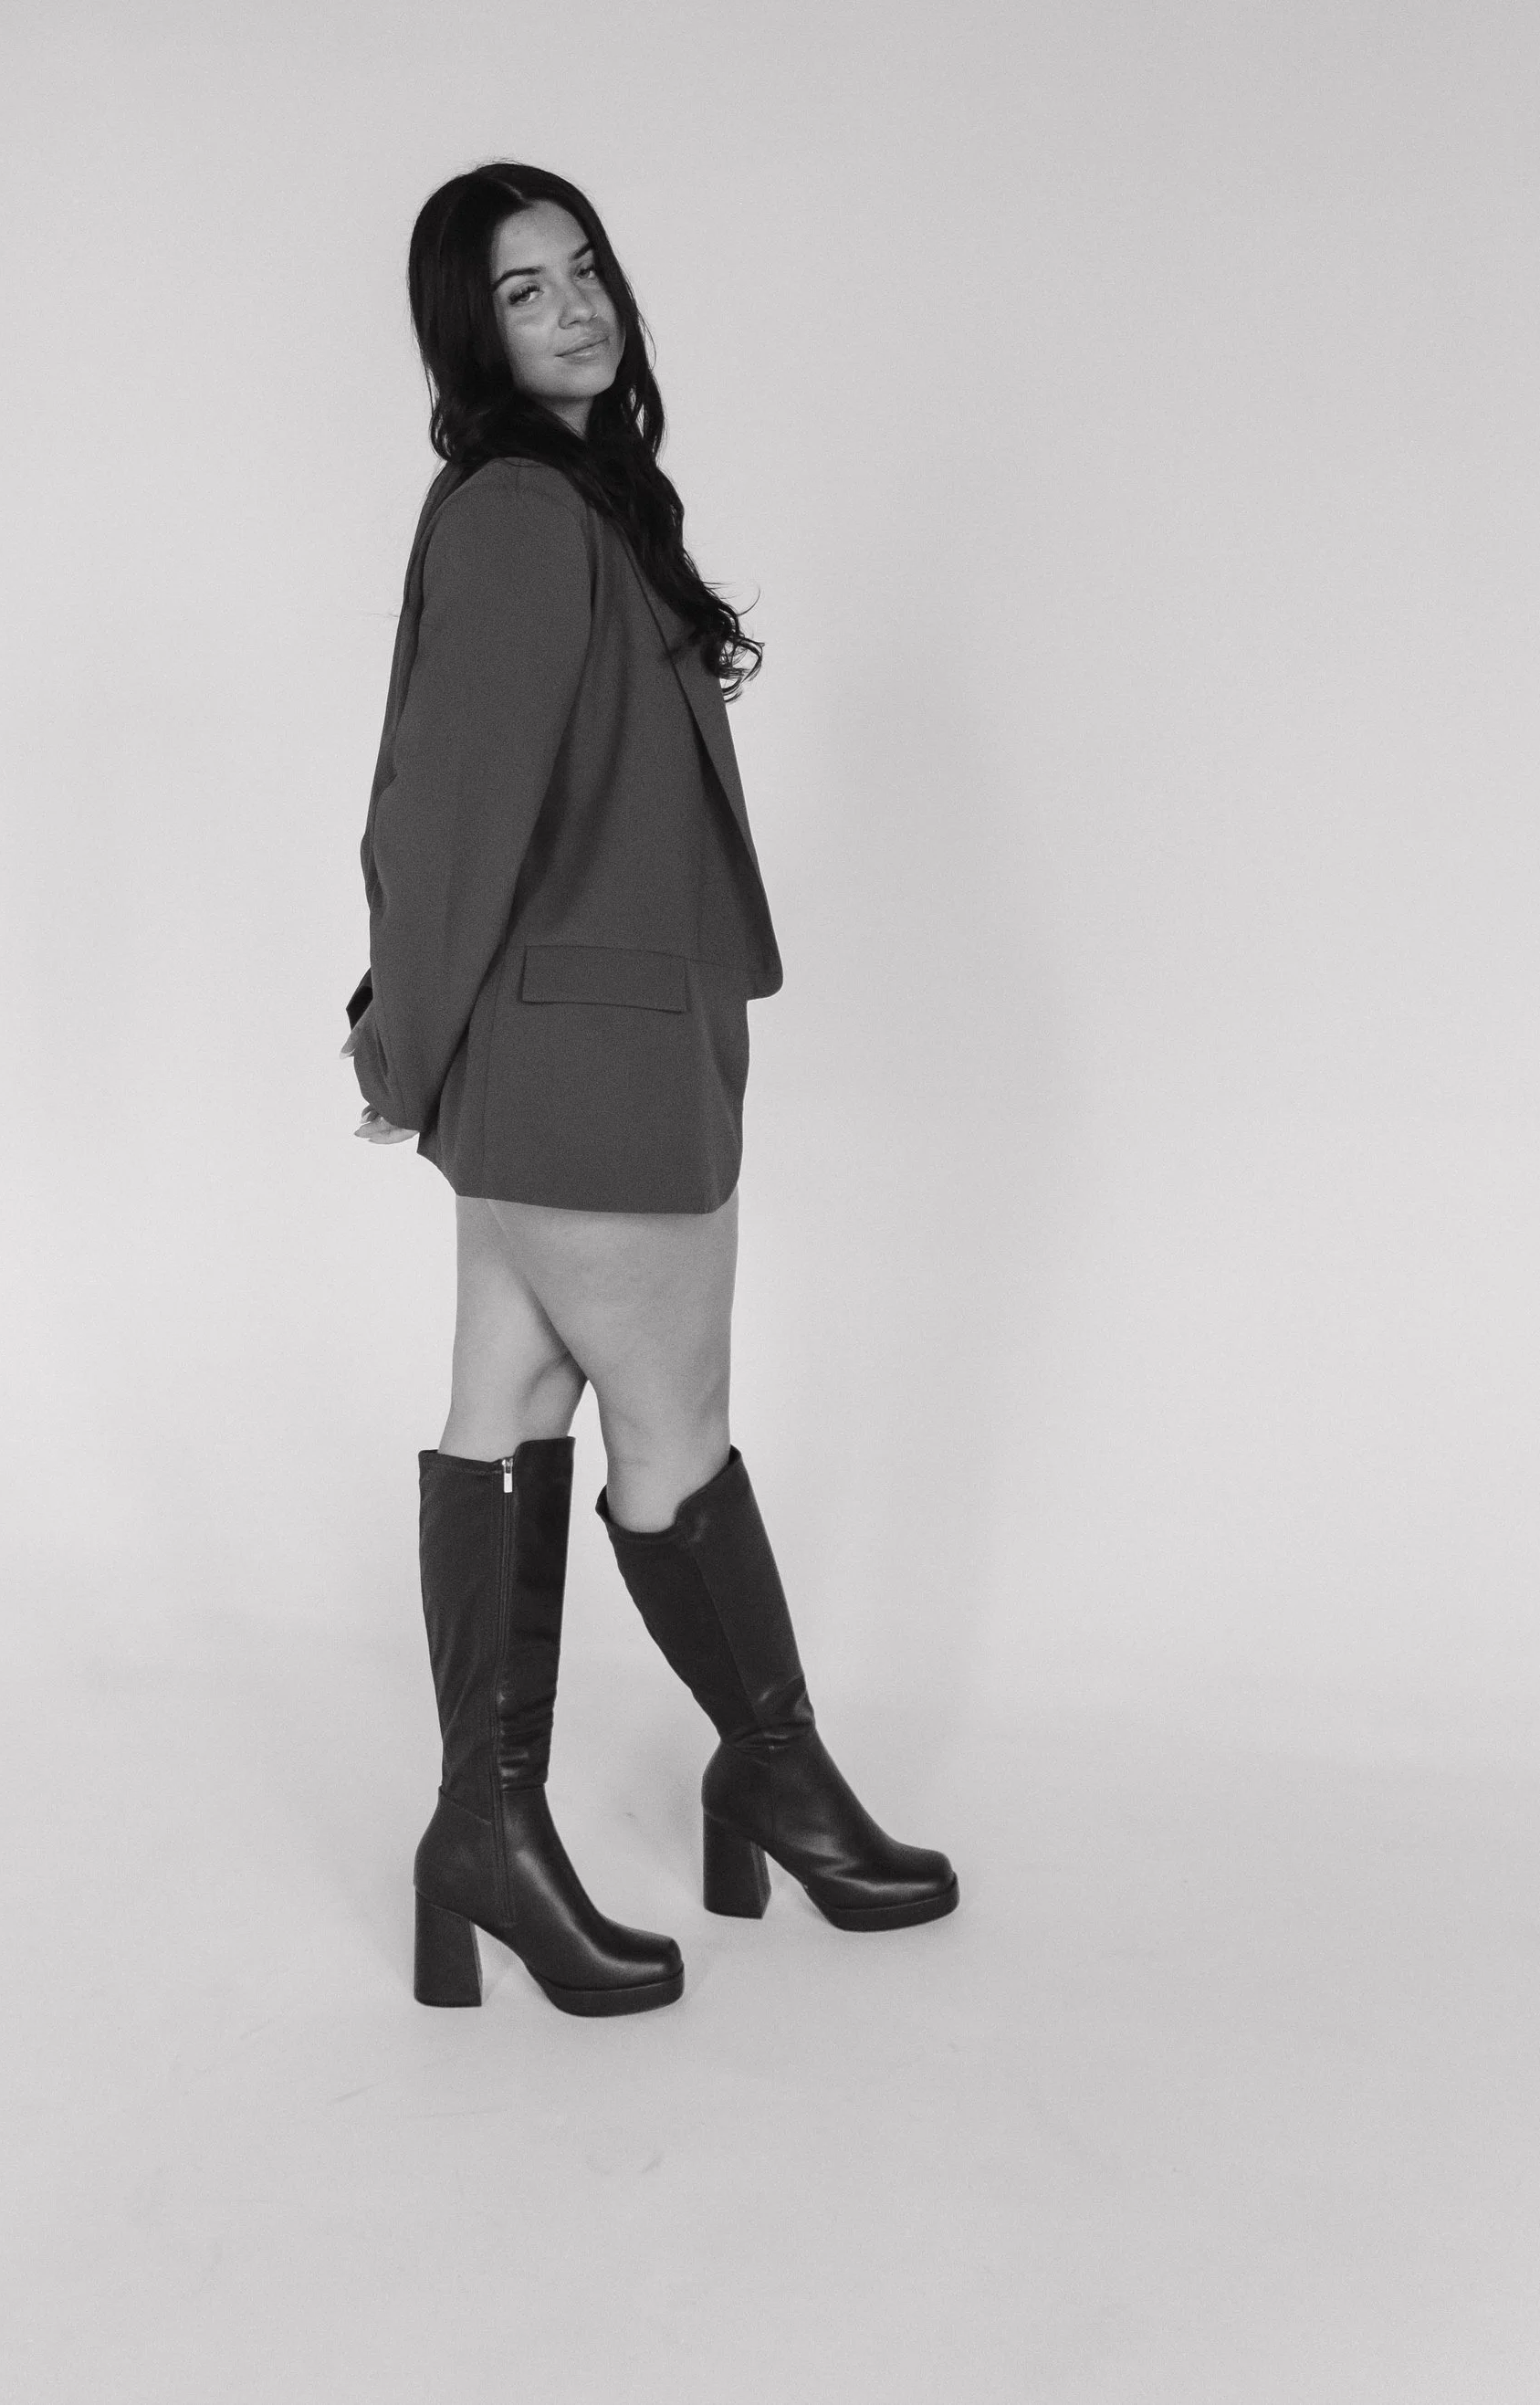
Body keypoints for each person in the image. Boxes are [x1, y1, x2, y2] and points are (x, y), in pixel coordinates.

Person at [343, 162, 958, 2018]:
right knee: (668, 1436)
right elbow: (451, 814)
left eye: (585, 270)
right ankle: (772, 1776)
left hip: (565, 1043)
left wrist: (437, 1047)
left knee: (503, 1400)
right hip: (587, 1063)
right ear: (472, 329)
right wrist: (399, 1044)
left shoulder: (577, 500)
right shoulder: (523, 517)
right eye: (525, 291)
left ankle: (485, 1832)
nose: (576, 306)